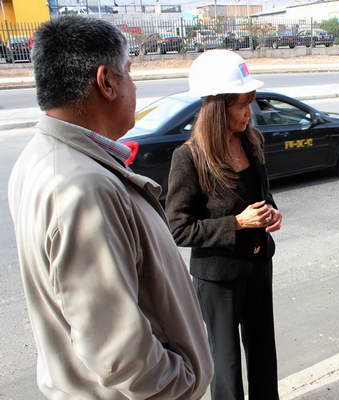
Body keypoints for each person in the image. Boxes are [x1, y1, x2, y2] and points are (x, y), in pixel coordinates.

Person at [7, 16, 213, 398]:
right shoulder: (82, 186)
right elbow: (118, 350)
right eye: (129, 72)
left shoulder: (43, 158)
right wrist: (179, 385)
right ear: (106, 82)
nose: (134, 85)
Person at [166, 49, 282, 400]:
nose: (249, 112)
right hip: (218, 277)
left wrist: (272, 213)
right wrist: (237, 223)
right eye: (242, 105)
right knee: (225, 362)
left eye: (250, 102)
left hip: (258, 265)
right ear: (219, 107)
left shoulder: (252, 140)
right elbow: (179, 228)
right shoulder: (189, 157)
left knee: (263, 352)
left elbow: (263, 194)